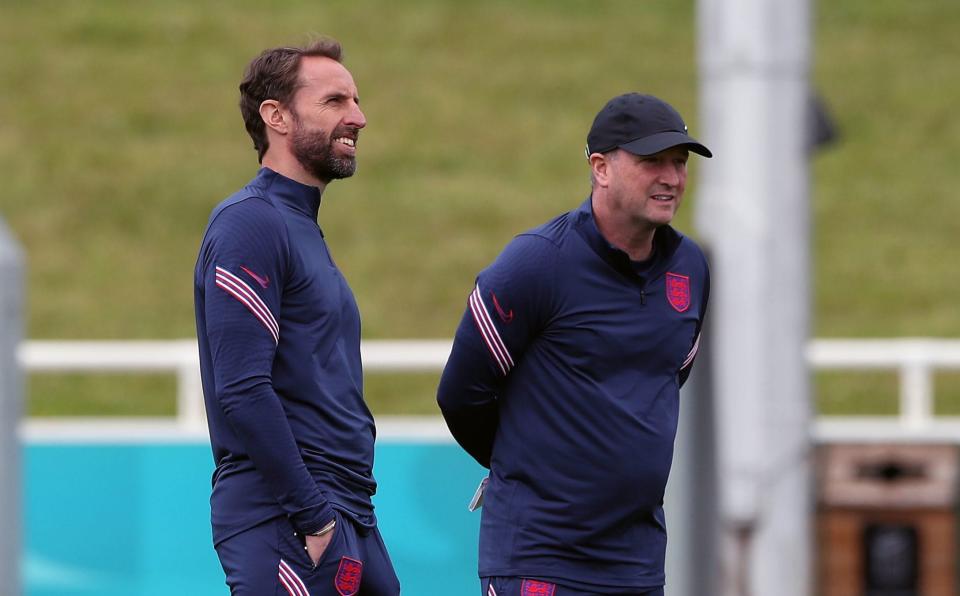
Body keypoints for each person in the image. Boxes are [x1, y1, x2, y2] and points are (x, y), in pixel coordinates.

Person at [437, 93, 712, 596]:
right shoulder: (535, 264)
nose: (672, 178)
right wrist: (532, 466)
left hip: (638, 562)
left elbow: (664, 382)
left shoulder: (691, 269)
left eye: (680, 162)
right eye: (653, 161)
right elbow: (460, 395)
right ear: (601, 168)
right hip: (539, 557)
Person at [194, 38, 400, 596]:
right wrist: (312, 517)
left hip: (346, 506)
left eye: (355, 100)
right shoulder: (251, 223)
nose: (358, 117)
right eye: (335, 101)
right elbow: (241, 389)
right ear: (276, 116)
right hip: (291, 513)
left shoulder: (296, 223)